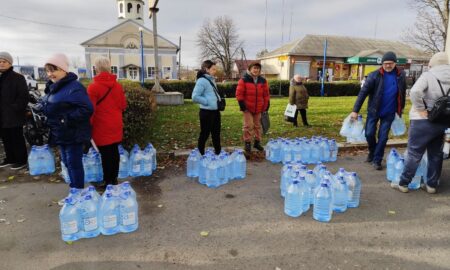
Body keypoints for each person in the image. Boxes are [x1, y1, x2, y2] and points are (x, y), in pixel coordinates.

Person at [395, 52, 450, 193]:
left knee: (414, 153)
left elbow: (414, 92)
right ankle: (431, 185)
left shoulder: (428, 75)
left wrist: (421, 108)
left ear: (432, 64)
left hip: (422, 121)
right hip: (443, 121)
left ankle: (404, 183)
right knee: (436, 154)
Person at [41, 54, 93, 189]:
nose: (50, 74)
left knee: (73, 163)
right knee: (66, 162)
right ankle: (74, 190)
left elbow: (87, 108)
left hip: (73, 133)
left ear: (63, 70)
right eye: (47, 71)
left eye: (53, 70)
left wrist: (66, 119)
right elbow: (54, 104)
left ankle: (78, 193)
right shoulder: (54, 86)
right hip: (60, 132)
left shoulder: (74, 87)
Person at [351, 51, 407, 170]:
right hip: (374, 110)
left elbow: (402, 92)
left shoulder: (401, 75)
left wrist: (401, 109)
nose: (388, 66)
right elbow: (363, 93)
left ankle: (377, 160)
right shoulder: (374, 75)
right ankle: (372, 152)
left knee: (383, 137)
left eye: (390, 63)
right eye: (385, 63)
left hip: (389, 112)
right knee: (369, 133)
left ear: (395, 63)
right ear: (382, 63)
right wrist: (355, 110)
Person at [87, 57, 127, 187]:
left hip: (101, 126)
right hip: (116, 123)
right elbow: (123, 105)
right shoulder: (117, 85)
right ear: (110, 68)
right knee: (114, 152)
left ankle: (107, 181)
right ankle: (113, 179)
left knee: (106, 154)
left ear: (96, 69)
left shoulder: (93, 87)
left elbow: (90, 110)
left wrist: (88, 126)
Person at [0, 52, 29, 170]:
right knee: (5, 138)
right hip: (1, 115)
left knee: (16, 138)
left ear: (10, 63)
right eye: (0, 62)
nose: (1, 64)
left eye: (4, 61)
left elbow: (24, 97)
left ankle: (21, 160)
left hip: (13, 114)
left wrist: (15, 108)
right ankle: (10, 158)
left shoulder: (18, 77)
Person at [236, 62, 270, 153]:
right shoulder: (243, 80)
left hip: (259, 108)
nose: (256, 70)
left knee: (258, 126)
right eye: (254, 68)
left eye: (258, 69)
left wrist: (267, 104)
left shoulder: (263, 81)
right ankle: (247, 142)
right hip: (247, 108)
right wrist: (242, 104)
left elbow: (266, 94)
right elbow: (239, 94)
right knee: (248, 126)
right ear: (250, 69)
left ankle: (257, 142)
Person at [192, 60, 222, 155]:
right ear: (206, 69)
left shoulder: (211, 79)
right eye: (213, 69)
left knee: (216, 134)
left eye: (215, 69)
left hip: (215, 111)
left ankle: (218, 153)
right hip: (206, 112)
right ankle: (201, 154)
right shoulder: (202, 81)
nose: (215, 71)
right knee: (204, 134)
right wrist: (207, 102)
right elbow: (195, 97)